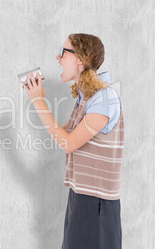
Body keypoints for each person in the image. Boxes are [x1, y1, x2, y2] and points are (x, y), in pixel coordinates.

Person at [22, 33, 124, 249]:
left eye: (63, 53)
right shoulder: (85, 98)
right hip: (80, 198)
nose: (58, 58)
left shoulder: (105, 98)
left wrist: (38, 101)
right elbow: (64, 137)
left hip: (96, 204)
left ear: (81, 59)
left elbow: (68, 143)